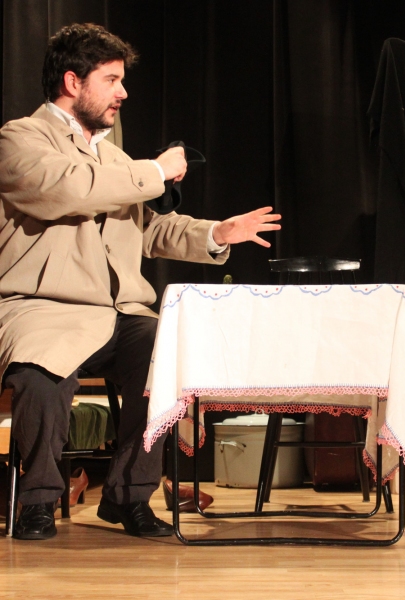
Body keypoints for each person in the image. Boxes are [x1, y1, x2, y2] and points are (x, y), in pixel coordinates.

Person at [0, 23, 281, 540]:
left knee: (166, 351)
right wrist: (154, 170)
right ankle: (37, 499)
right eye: (111, 80)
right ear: (72, 81)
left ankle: (129, 495)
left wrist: (217, 232)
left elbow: (149, 229)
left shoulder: (114, 158)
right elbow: (69, 190)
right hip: (42, 307)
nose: (123, 93)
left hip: (118, 313)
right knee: (41, 373)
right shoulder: (20, 139)